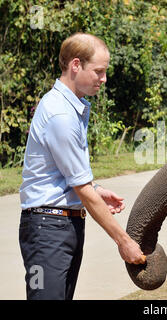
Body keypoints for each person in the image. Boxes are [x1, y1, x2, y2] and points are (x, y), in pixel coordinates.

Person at [19, 33, 145, 300]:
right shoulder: (61, 115)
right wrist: (124, 241)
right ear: (76, 65)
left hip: (60, 227)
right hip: (47, 231)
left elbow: (68, 175)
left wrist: (96, 188)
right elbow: (81, 189)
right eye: (99, 71)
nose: (104, 79)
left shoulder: (68, 108)